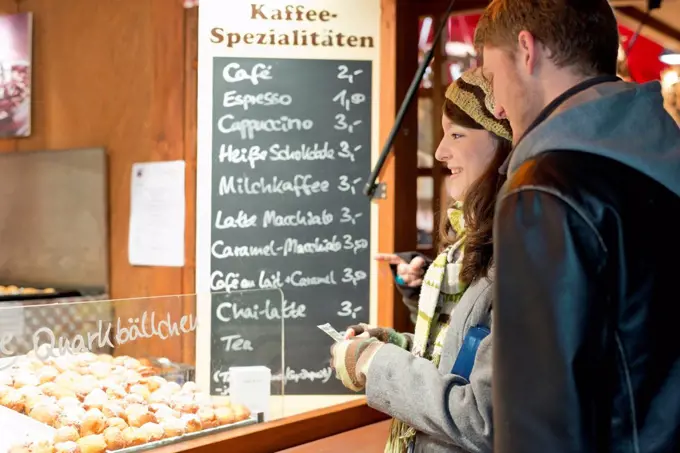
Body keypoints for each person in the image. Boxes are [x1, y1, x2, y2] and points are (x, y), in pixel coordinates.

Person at [474, 1, 680, 452]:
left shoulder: (545, 191)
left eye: (492, 81)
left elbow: (541, 427)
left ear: (527, 50)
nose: (501, 110)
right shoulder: (664, 156)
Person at [329, 68, 513, 453]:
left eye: (457, 134)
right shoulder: (473, 238)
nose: (440, 151)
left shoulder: (515, 253)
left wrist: (377, 362)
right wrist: (395, 344)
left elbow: (479, 418)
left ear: (502, 146)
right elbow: (461, 359)